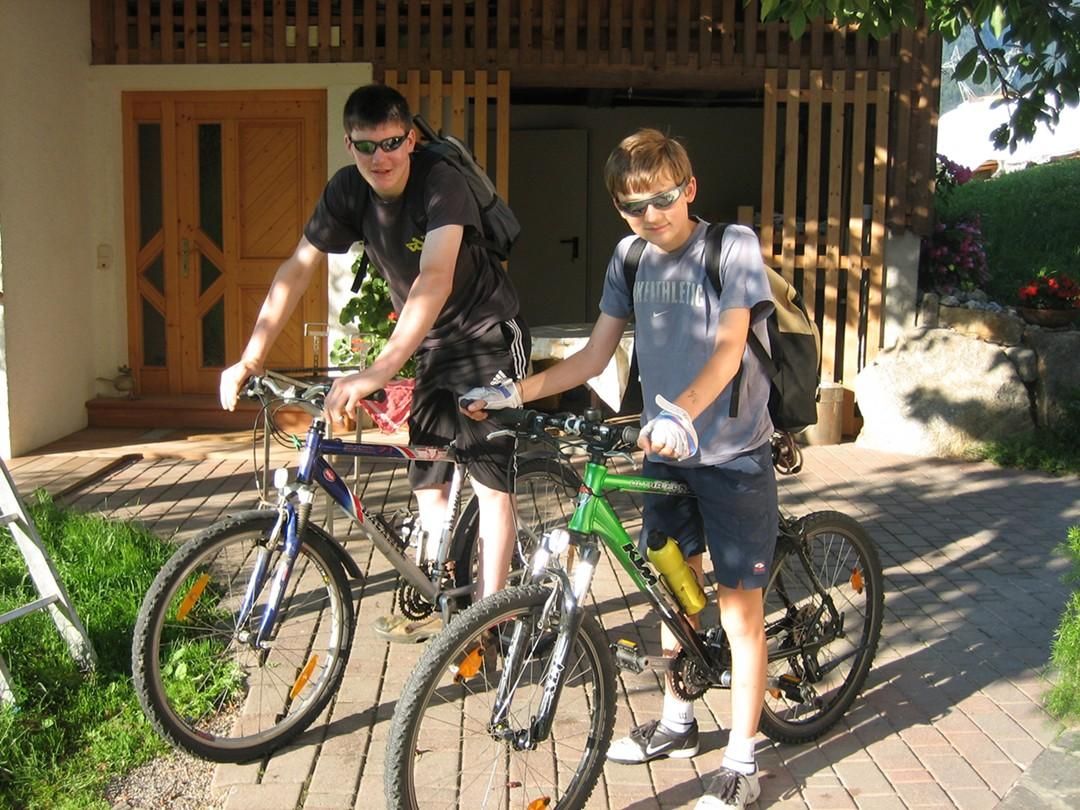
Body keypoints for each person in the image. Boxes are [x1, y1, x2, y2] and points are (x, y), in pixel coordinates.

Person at [461, 128, 777, 808]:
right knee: (672, 584)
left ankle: (742, 761)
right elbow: (592, 357)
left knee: (737, 610)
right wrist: (515, 393)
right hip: (665, 453)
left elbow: (729, 347)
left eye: (662, 198)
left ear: (689, 189)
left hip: (731, 452)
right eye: (633, 205)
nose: (650, 215)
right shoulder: (630, 258)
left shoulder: (731, 247)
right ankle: (678, 721)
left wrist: (682, 412)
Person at [220, 83, 530, 643]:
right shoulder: (348, 190)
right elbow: (297, 267)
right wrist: (251, 357)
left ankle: (491, 626)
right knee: (430, 478)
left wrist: (379, 370)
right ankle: (440, 593)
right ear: (349, 144)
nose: (379, 158)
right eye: (366, 146)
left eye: (390, 143)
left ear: (410, 139)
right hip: (431, 344)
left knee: (489, 484)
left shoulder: (441, 183)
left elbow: (434, 278)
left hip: (487, 335)